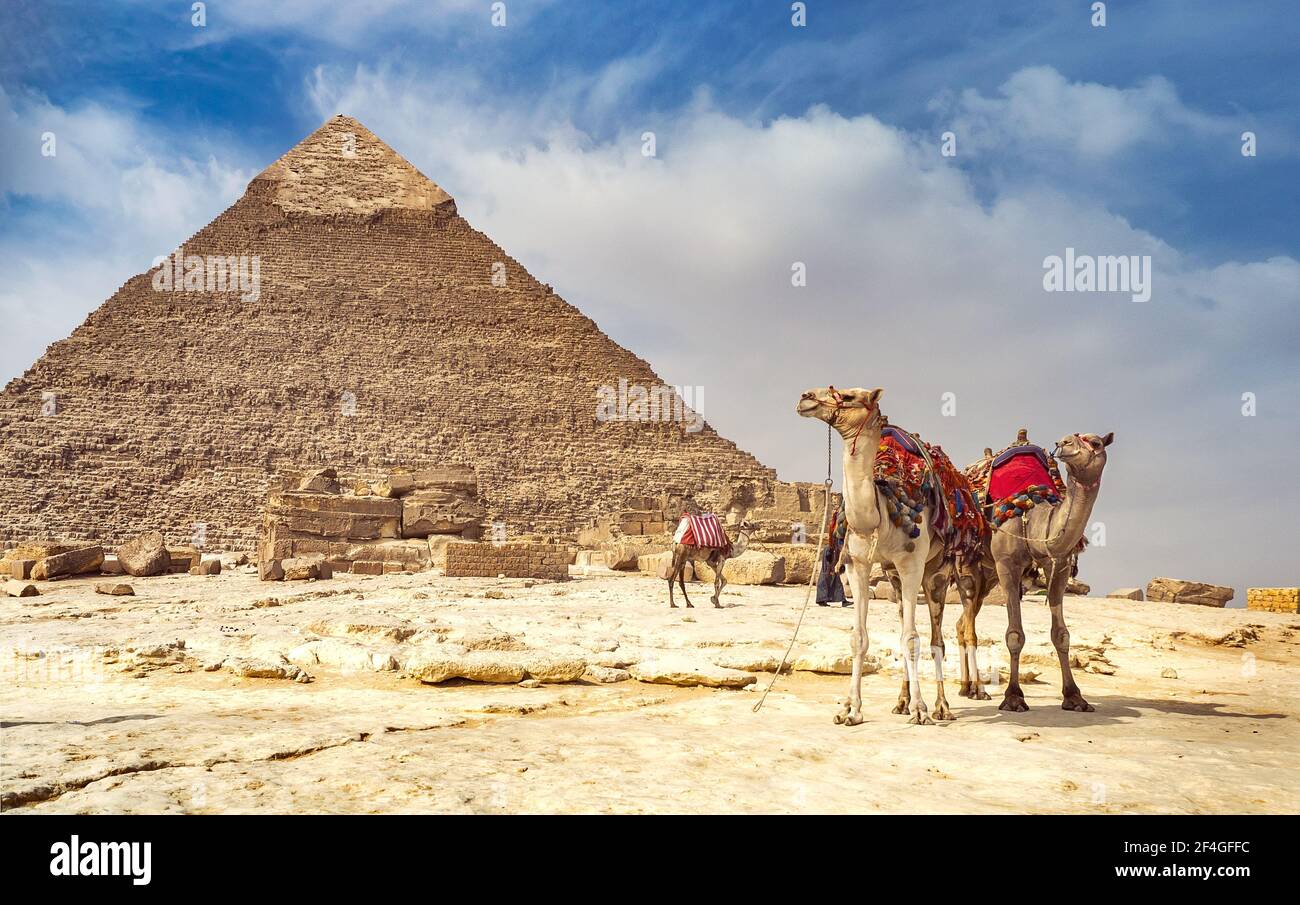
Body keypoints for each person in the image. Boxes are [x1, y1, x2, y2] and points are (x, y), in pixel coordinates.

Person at [816, 500, 850, 607]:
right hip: (831, 551)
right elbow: (832, 540)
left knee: (835, 576)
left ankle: (842, 599)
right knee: (826, 575)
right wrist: (833, 553)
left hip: (835, 551)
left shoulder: (840, 527)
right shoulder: (835, 527)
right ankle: (821, 599)